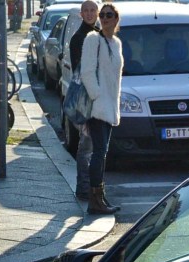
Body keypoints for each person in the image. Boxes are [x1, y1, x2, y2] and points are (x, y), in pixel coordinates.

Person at [79, 2, 123, 215]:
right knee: (99, 152)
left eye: (109, 15)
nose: (105, 18)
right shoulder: (92, 40)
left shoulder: (116, 43)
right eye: (102, 15)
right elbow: (86, 72)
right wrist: (97, 97)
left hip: (109, 106)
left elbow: (115, 78)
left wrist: (113, 102)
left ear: (116, 19)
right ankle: (94, 200)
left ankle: (99, 197)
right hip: (97, 107)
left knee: (102, 153)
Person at [66, 0, 100, 201]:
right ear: (81, 14)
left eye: (92, 10)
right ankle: (84, 188)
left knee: (92, 146)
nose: (89, 13)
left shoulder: (96, 33)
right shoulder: (80, 37)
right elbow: (84, 71)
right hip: (86, 99)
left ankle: (91, 188)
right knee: (86, 146)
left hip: (94, 97)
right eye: (86, 10)